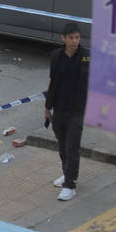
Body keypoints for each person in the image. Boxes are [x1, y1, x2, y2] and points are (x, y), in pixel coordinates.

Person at [44, 22, 89, 202]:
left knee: (72, 147)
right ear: (64, 38)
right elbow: (52, 81)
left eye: (77, 37)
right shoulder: (56, 56)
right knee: (62, 145)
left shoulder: (87, 56)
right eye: (70, 38)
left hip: (77, 110)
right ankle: (66, 174)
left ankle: (70, 185)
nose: (74, 41)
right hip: (59, 108)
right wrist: (47, 107)